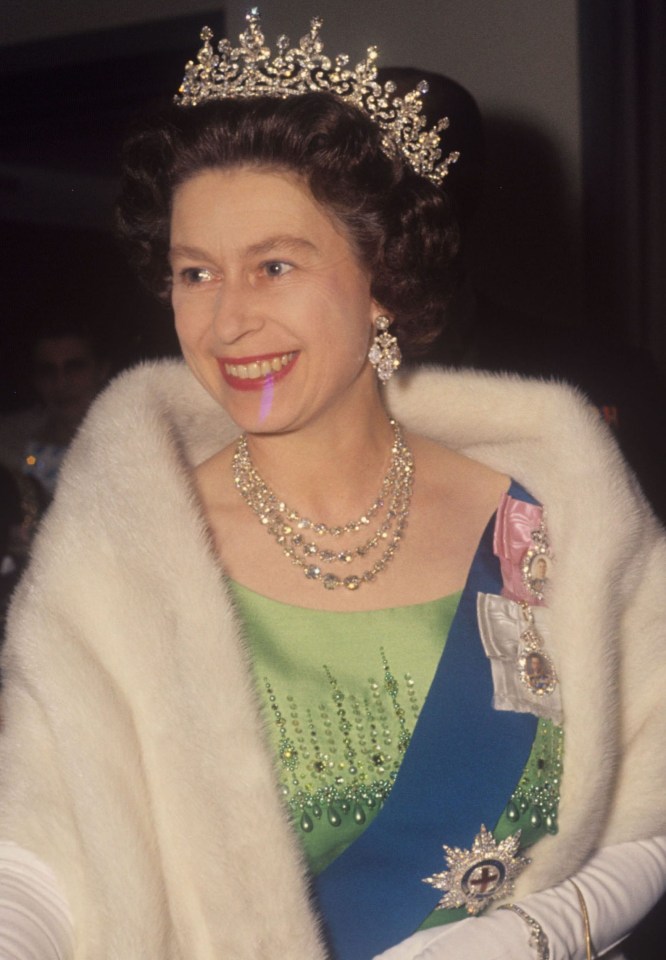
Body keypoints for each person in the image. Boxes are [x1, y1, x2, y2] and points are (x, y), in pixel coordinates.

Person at [0, 12, 665, 960]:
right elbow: (34, 846)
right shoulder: (125, 547)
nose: (229, 321)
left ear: (382, 279)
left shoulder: (553, 511)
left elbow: (655, 776)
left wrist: (542, 930)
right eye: (196, 272)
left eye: (275, 265)